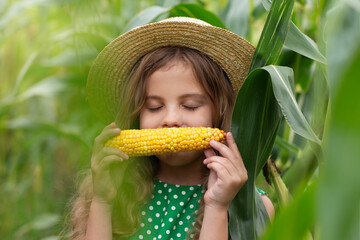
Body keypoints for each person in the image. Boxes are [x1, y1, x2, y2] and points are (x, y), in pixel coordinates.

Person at [69, 17, 274, 240]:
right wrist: (102, 201)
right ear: (136, 115)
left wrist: (217, 207)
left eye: (190, 106)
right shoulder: (119, 191)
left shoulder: (254, 211)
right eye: (154, 107)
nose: (171, 120)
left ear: (221, 113)